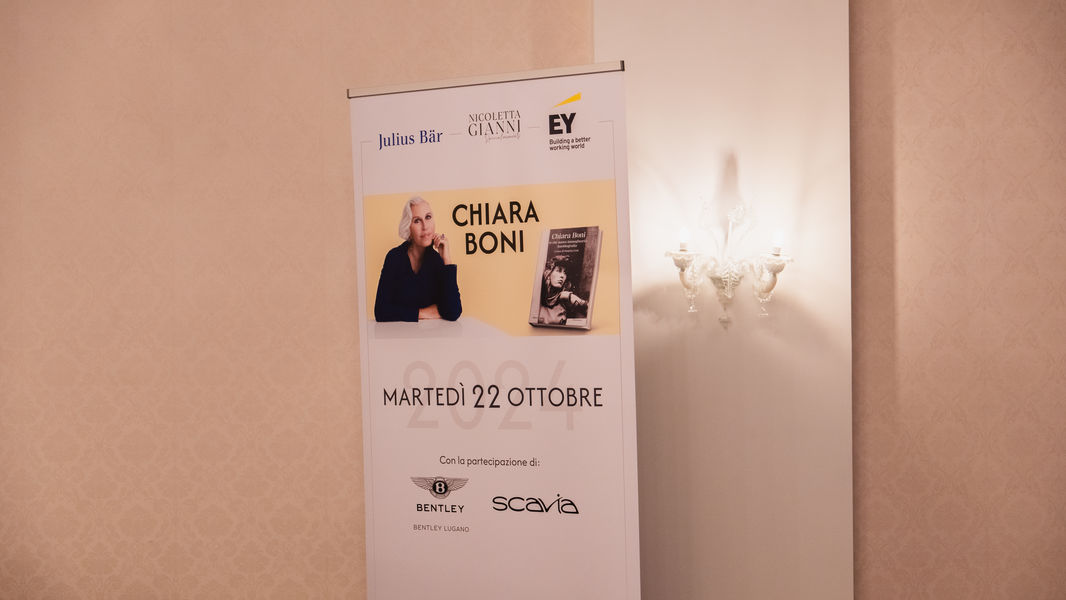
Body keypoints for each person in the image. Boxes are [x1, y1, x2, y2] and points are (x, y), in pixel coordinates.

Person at [374, 196, 462, 322]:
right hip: (399, 333)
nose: (425, 226)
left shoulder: (437, 261)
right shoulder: (394, 257)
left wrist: (446, 260)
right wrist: (422, 313)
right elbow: (380, 311)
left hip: (429, 333)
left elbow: (453, 312)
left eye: (428, 217)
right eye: (417, 221)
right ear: (408, 227)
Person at [537, 255, 587, 325]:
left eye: (565, 273)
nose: (562, 276)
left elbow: (589, 314)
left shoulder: (565, 300)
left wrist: (570, 297)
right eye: (558, 271)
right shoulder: (538, 295)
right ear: (549, 273)